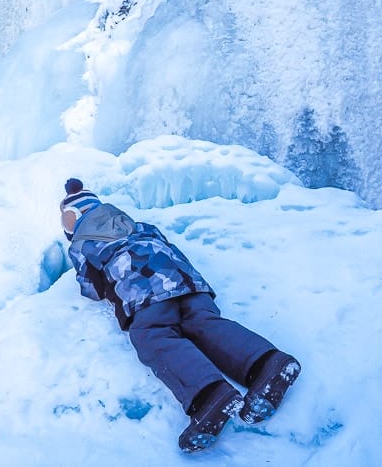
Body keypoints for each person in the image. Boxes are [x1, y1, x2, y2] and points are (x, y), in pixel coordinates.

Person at [59, 178, 301, 452]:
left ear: (74, 217)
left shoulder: (81, 243)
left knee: (153, 335)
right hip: (188, 283)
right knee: (204, 324)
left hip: (145, 291)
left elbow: (92, 288)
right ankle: (267, 365)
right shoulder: (137, 224)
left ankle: (209, 395)